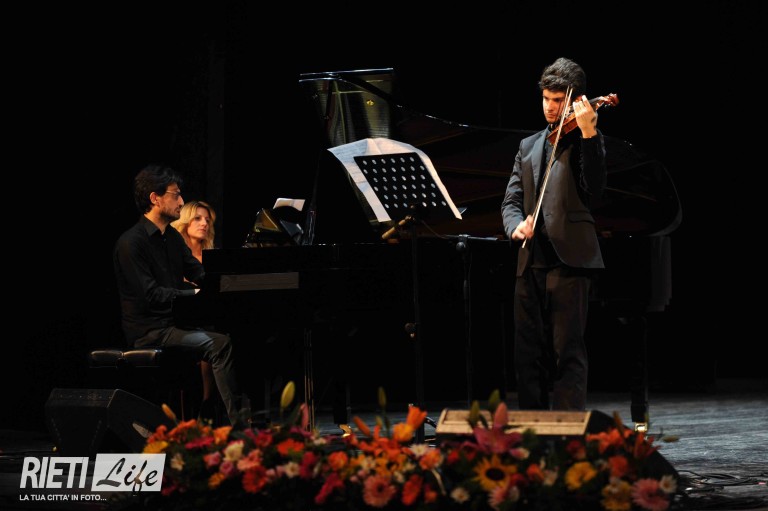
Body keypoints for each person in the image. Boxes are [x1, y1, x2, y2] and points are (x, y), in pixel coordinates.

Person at [501, 57, 607, 411]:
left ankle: (567, 430)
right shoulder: (528, 146)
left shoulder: (586, 140)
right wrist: (515, 225)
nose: (550, 107)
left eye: (558, 100)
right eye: (546, 98)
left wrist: (589, 134)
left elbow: (595, 191)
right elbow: (511, 201)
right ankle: (532, 429)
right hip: (530, 261)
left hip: (570, 260)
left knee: (568, 352)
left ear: (575, 100)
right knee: (526, 354)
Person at [113, 164, 249, 425]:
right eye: (175, 195)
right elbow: (151, 295)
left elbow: (200, 273)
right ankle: (239, 427)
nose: (181, 202)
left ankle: (218, 421)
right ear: (155, 198)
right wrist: (194, 293)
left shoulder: (173, 239)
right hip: (150, 330)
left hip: (175, 324)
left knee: (235, 334)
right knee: (220, 344)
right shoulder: (131, 242)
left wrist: (234, 282)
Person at [171, 200, 220, 421]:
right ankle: (207, 404)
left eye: (207, 220)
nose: (204, 224)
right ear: (185, 222)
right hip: (182, 316)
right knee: (211, 333)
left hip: (208, 314)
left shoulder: (212, 255)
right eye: (197, 218)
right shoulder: (175, 253)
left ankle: (211, 404)